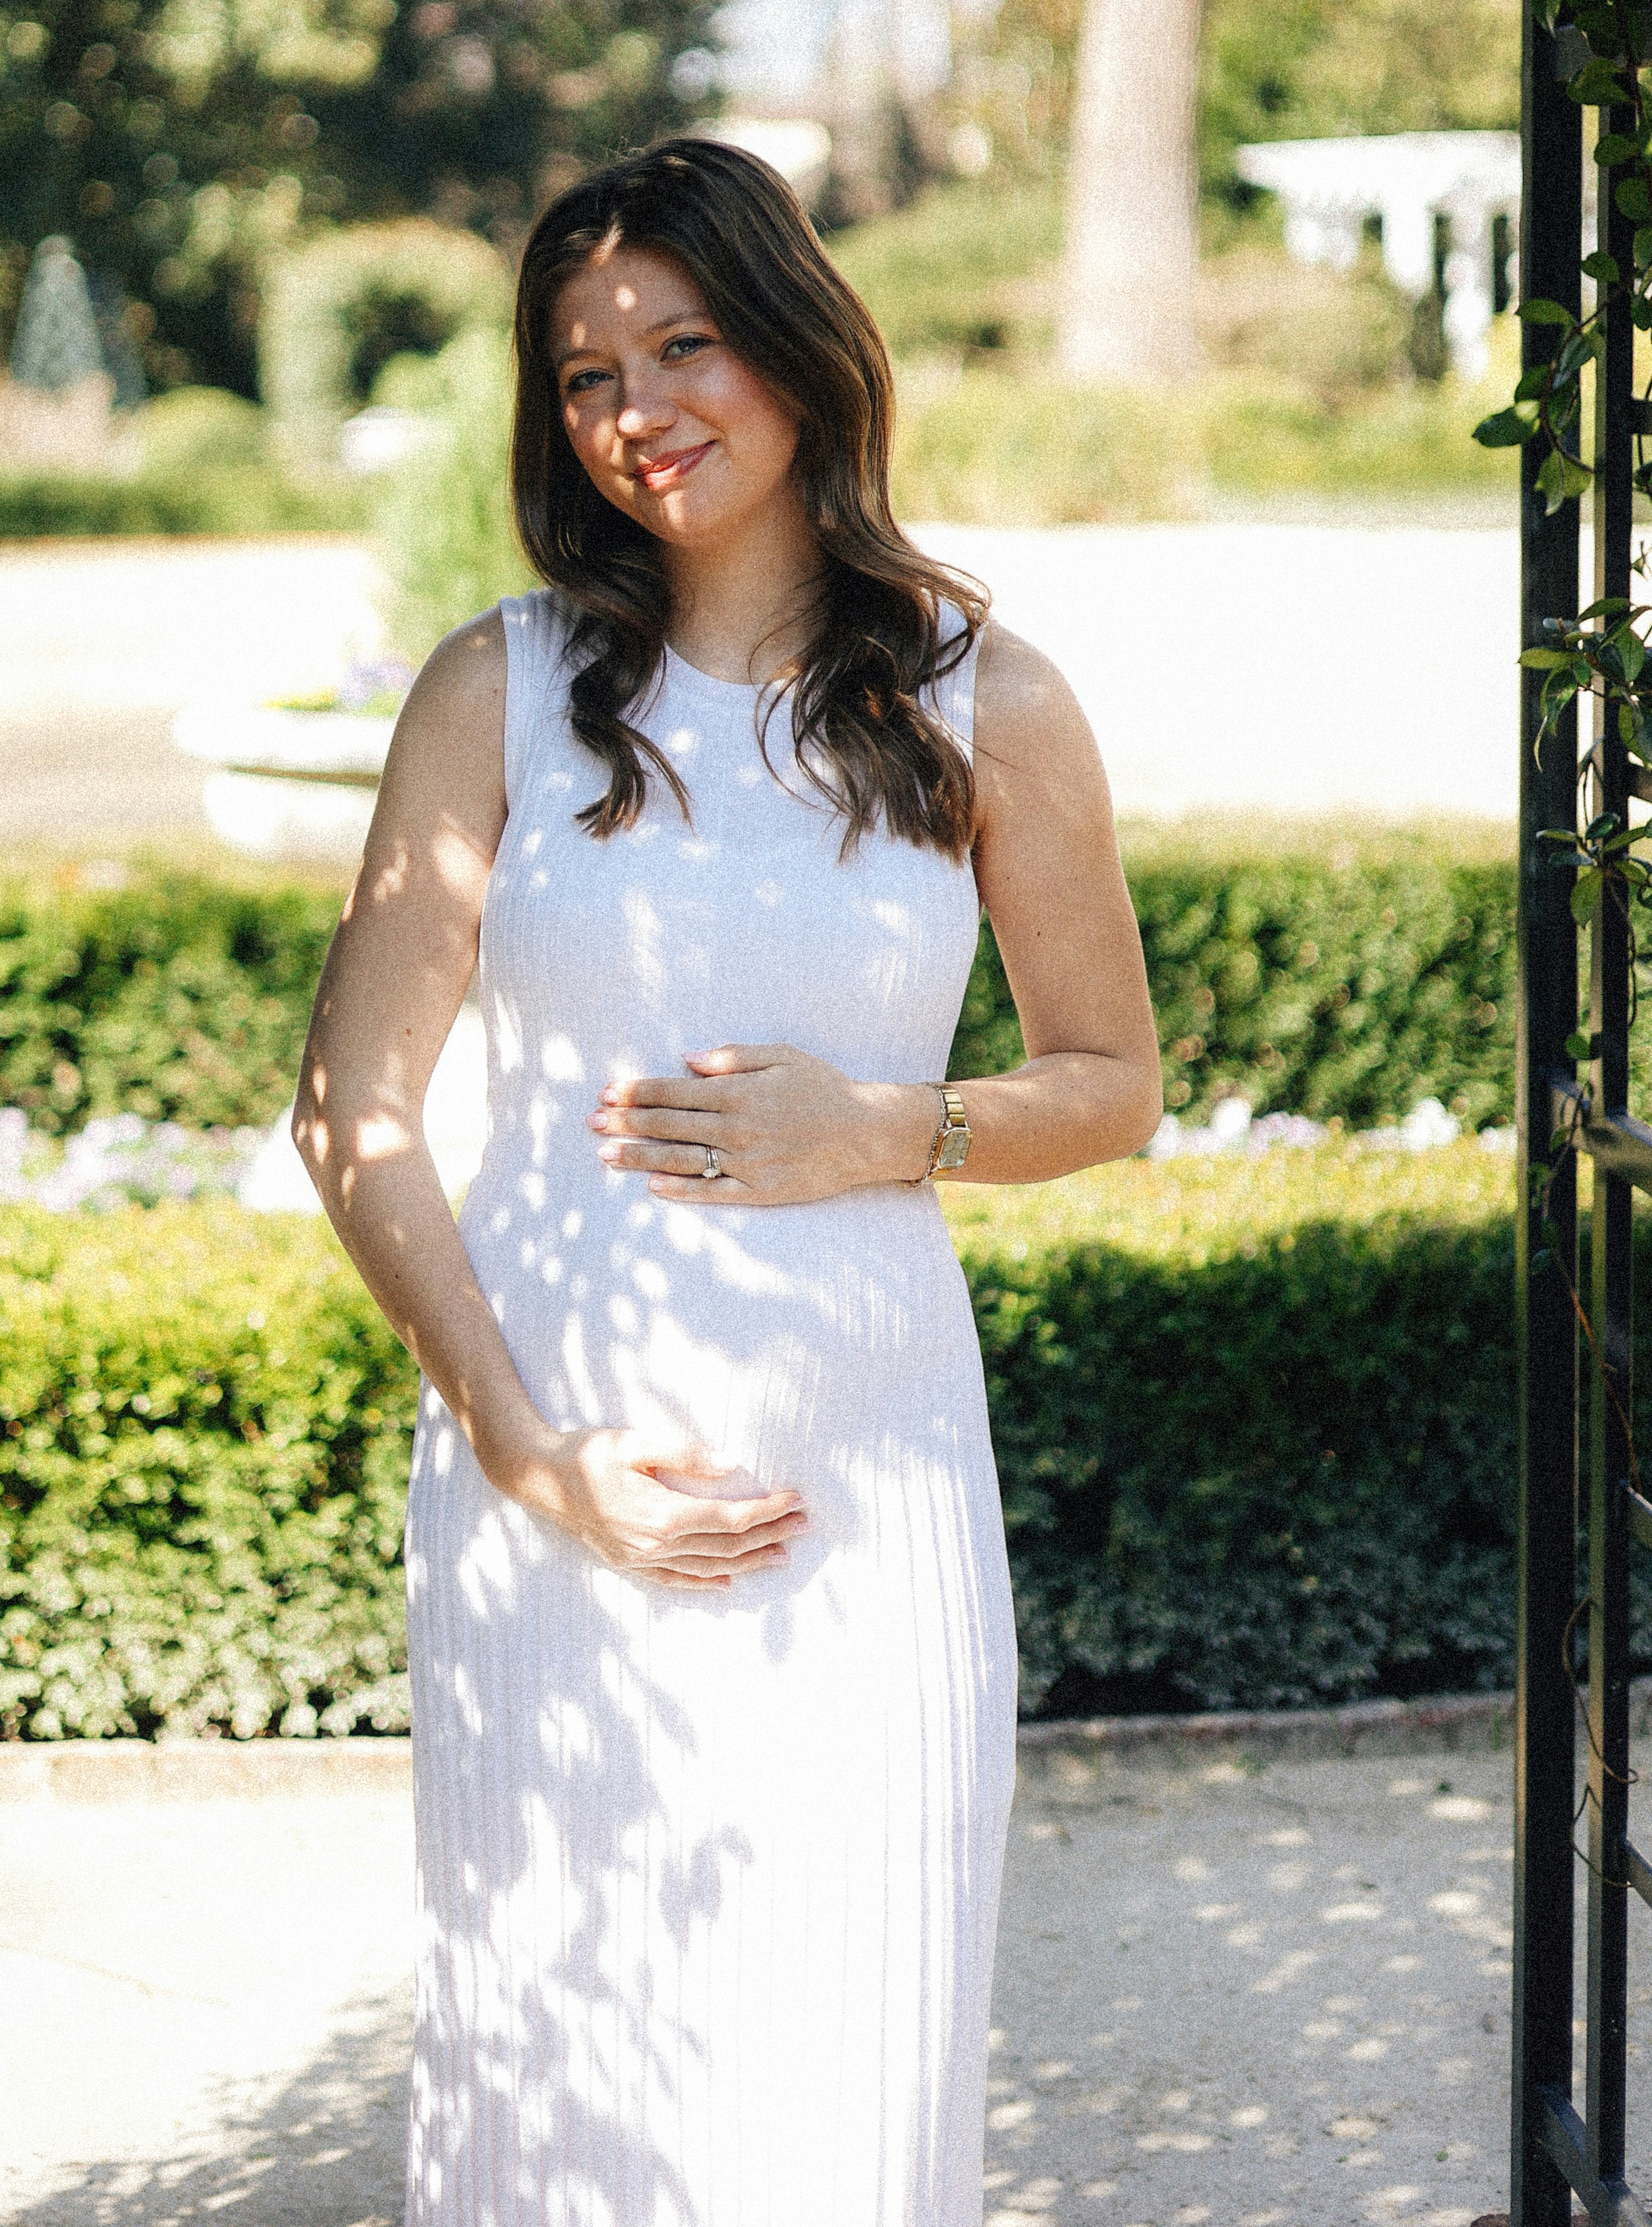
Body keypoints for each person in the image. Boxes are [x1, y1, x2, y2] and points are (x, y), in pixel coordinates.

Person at [295, 138, 1163, 2227]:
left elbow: (1114, 1082)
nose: (636, 411)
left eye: (683, 347)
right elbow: (355, 1110)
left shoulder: (991, 702)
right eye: (585, 375)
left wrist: (891, 1127)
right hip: (554, 1505)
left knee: (845, 2084)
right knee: (556, 2088)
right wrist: (526, 1456)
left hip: (870, 1513)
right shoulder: (493, 693)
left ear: (796, 355)